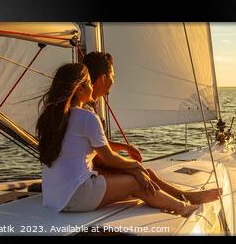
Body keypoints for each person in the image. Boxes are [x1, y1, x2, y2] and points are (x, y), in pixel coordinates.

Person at [36, 62, 217, 217]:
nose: (92, 87)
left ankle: (182, 199)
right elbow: (109, 158)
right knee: (136, 183)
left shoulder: (52, 118)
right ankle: (185, 208)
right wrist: (136, 167)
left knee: (136, 179)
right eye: (89, 83)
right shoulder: (86, 117)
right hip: (76, 196)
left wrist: (134, 168)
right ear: (80, 88)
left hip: (52, 198)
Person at [81, 52, 222, 206]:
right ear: (103, 78)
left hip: (92, 168)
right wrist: (131, 166)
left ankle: (183, 197)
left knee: (146, 173)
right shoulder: (87, 111)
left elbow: (97, 142)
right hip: (92, 171)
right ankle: (184, 199)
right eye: (112, 75)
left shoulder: (83, 108)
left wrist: (125, 147)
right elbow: (101, 155)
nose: (114, 80)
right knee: (144, 175)